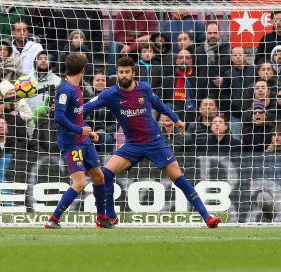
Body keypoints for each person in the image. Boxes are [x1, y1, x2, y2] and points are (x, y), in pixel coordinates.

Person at [83, 56, 221, 228]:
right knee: (106, 174)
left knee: (179, 178)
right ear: (117, 74)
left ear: (133, 73)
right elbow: (84, 109)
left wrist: (176, 119)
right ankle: (110, 216)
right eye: (121, 72)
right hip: (132, 145)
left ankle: (207, 217)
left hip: (155, 142)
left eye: (127, 72)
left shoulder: (145, 89)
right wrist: (80, 124)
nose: (124, 75)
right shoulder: (110, 94)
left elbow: (159, 104)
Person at [44, 53, 112, 229]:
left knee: (99, 176)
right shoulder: (65, 89)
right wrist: (80, 130)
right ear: (83, 69)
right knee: (80, 182)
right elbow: (58, 117)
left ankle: (102, 218)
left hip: (84, 140)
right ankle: (54, 218)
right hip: (71, 142)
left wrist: (88, 131)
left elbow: (76, 116)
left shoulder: (76, 88)